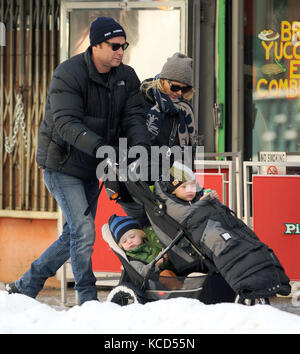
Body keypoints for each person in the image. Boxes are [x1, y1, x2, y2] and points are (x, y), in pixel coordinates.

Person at [5, 17, 150, 305]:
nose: (121, 51)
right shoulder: (68, 73)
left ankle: (24, 286)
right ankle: (87, 299)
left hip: (91, 166)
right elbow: (65, 123)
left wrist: (140, 148)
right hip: (61, 164)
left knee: (74, 233)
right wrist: (102, 149)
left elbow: (133, 117)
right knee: (83, 231)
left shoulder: (126, 77)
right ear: (96, 45)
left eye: (124, 45)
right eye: (115, 45)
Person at [118, 52, 197, 227]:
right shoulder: (140, 101)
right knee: (145, 234)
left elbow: (187, 152)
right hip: (136, 183)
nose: (179, 93)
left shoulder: (183, 111)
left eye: (185, 89)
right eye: (175, 87)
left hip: (166, 186)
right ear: (163, 81)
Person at [108, 214, 182, 289]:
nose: (129, 241)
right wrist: (157, 263)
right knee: (166, 275)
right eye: (124, 241)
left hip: (172, 268)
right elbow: (142, 272)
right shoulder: (132, 259)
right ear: (121, 246)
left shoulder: (151, 242)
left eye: (132, 237)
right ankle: (182, 291)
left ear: (141, 234)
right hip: (154, 281)